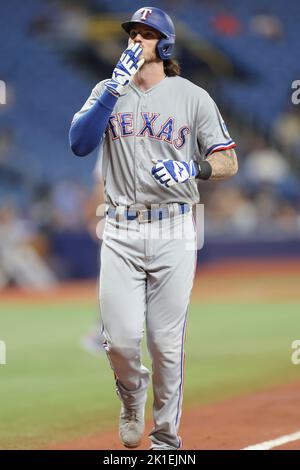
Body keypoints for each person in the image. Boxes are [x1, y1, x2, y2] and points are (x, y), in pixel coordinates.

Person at [69, 6, 238, 450]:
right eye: (132, 34)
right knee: (119, 341)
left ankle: (166, 438)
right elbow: (79, 143)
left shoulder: (192, 96)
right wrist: (112, 89)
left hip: (175, 227)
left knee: (165, 345)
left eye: (145, 34)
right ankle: (131, 400)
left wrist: (194, 168)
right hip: (120, 228)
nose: (136, 40)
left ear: (164, 45)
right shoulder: (108, 91)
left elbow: (228, 159)